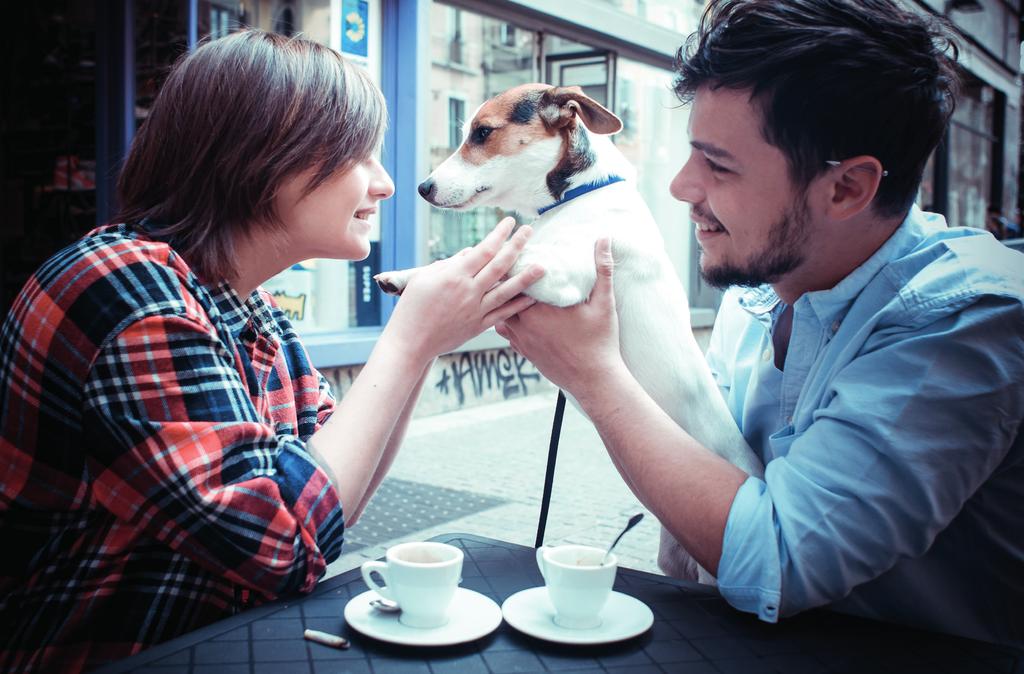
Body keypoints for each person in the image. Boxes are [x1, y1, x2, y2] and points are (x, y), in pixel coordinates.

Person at [0, 31, 542, 673]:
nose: (388, 185)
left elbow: (331, 508)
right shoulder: (125, 289)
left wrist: (423, 347)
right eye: (360, 156)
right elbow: (285, 544)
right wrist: (410, 339)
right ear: (264, 156)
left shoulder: (251, 309)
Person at [497, 0, 1023, 647]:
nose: (682, 188)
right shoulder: (755, 295)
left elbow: (777, 563)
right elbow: (700, 492)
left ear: (846, 189)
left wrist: (595, 375)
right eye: (692, 154)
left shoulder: (966, 319)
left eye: (718, 165)